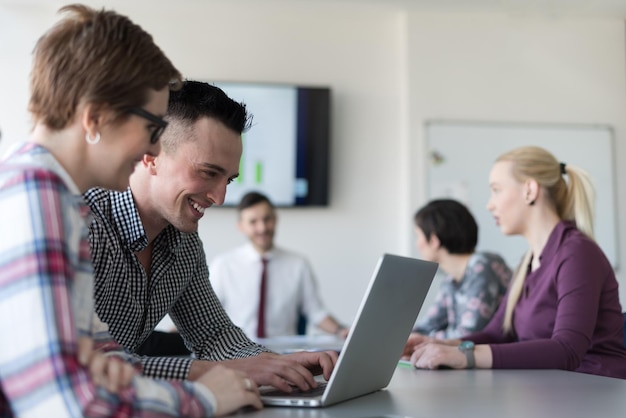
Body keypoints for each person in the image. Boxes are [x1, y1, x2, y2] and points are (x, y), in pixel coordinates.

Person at [0, 4, 262, 417]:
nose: (155, 150)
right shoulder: (36, 193)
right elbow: (65, 403)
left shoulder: (60, 201)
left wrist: (117, 374)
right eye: (153, 129)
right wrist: (206, 397)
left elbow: (107, 360)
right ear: (95, 116)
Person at [86, 80, 338, 393]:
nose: (219, 198)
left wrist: (280, 363)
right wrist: (209, 371)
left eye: (228, 180)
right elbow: (84, 365)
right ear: (150, 154)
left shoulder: (184, 241)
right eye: (208, 172)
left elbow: (215, 337)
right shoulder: (82, 223)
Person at [402, 146, 626, 379]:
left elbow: (567, 350)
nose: (490, 204)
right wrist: (439, 344)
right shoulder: (528, 262)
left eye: (496, 190)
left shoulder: (577, 253)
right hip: (553, 388)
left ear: (530, 190)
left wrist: (465, 356)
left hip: (595, 391)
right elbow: (497, 334)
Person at [210, 191, 350, 340]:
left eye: (267, 219)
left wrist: (341, 331)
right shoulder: (223, 265)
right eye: (253, 222)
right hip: (239, 353)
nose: (262, 228)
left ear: (275, 219)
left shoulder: (298, 264)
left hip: (283, 353)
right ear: (241, 226)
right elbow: (208, 316)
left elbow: (316, 312)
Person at [411, 199, 512, 339]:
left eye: (418, 236)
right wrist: (404, 338)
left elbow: (468, 335)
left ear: (434, 240)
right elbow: (428, 324)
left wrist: (422, 340)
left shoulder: (482, 266)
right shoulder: (451, 279)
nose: (417, 244)